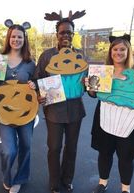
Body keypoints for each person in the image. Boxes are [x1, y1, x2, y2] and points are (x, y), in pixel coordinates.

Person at [85, 34, 134, 193]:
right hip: (105, 117)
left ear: (128, 51)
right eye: (115, 49)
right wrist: (90, 86)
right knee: (105, 153)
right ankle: (103, 183)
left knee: (126, 156)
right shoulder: (103, 71)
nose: (118, 52)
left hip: (130, 121)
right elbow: (93, 95)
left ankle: (125, 189)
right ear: (110, 52)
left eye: (122, 49)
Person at [34, 10, 87, 193]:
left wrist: (90, 85)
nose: (66, 35)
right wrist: (39, 94)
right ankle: (55, 182)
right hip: (54, 110)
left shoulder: (80, 55)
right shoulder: (46, 56)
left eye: (69, 32)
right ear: (57, 34)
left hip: (75, 110)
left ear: (73, 35)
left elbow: (89, 81)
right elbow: (37, 79)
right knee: (54, 148)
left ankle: (67, 179)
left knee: (71, 148)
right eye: (62, 32)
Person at [0, 19, 36, 193]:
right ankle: (7, 177)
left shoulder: (30, 62)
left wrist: (34, 86)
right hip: (4, 112)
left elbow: (36, 85)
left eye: (19, 37)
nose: (16, 40)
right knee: (9, 150)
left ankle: (20, 178)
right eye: (13, 36)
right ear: (8, 38)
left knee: (26, 146)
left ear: (24, 39)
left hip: (25, 113)